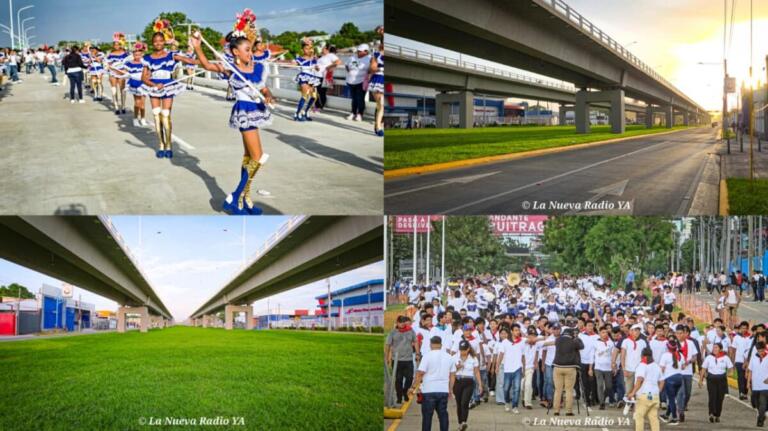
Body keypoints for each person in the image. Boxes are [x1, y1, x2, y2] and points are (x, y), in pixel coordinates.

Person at [190, 10, 275, 215]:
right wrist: (198, 47)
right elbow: (207, 65)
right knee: (259, 157)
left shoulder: (256, 68)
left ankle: (246, 201)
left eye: (250, 49)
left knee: (249, 157)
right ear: (236, 52)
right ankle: (234, 198)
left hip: (257, 109)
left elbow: (264, 89)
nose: (250, 53)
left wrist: (269, 96)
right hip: (245, 112)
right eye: (246, 50)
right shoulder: (231, 70)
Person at [142, 19, 198, 159]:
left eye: (161, 41)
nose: (158, 43)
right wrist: (154, 85)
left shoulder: (171, 55)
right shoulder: (147, 58)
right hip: (154, 87)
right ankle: (161, 145)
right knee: (156, 115)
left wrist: (207, 63)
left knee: (166, 115)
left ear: (164, 42)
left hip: (168, 85)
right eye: (155, 41)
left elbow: (189, 61)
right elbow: (144, 78)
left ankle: (169, 146)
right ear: (152, 43)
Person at [410, 336, 453, 431]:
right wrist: (450, 389)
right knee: (443, 415)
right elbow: (452, 375)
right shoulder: (449, 357)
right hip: (443, 390)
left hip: (428, 391)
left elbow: (420, 373)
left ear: (430, 345)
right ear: (441, 345)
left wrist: (413, 387)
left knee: (427, 417)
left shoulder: (427, 356)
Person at [626, 347, 665, 431]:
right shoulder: (656, 366)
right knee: (654, 418)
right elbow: (662, 381)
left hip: (644, 395)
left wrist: (632, 393)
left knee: (639, 417)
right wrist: (658, 391)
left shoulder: (642, 365)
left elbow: (640, 380)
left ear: (642, 355)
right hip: (655, 395)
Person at [551, 325, 584, 416]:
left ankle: (556, 410)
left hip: (557, 366)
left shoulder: (558, 340)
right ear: (572, 334)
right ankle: (568, 411)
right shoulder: (574, 341)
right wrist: (577, 337)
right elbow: (582, 346)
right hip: (570, 367)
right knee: (569, 390)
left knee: (558, 390)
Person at [450, 340, 482, 431]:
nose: (462, 351)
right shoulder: (454, 357)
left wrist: (480, 384)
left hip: (469, 381)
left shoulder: (473, 358)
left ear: (468, 349)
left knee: (464, 402)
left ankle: (464, 421)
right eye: (461, 350)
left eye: (464, 350)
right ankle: (460, 423)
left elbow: (476, 372)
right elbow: (451, 372)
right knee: (459, 403)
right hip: (458, 381)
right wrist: (457, 368)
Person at [386, 316, 418, 405]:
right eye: (400, 322)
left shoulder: (411, 331)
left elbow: (415, 341)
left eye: (403, 322)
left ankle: (405, 391)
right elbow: (388, 345)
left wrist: (417, 353)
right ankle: (399, 397)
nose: (402, 324)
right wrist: (387, 357)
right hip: (397, 360)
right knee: (398, 379)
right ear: (397, 323)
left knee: (410, 377)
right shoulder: (393, 332)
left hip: (408, 359)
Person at [699, 342, 733, 423]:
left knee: (720, 398)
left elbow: (731, 369)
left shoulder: (725, 358)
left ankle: (717, 415)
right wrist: (700, 380)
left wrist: (727, 374)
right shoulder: (709, 357)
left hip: (721, 379)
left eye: (716, 347)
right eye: (713, 347)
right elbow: (703, 369)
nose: (714, 349)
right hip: (711, 379)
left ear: (720, 349)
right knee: (712, 396)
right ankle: (711, 413)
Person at [496, 325, 524, 413]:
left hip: (518, 368)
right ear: (511, 331)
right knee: (506, 388)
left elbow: (523, 356)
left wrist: (524, 367)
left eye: (518, 330)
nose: (517, 332)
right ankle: (507, 402)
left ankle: (515, 406)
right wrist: (497, 366)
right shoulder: (505, 342)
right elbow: (501, 355)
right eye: (516, 330)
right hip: (507, 369)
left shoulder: (522, 342)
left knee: (517, 388)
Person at [658, 336, 683, 424]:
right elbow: (683, 366)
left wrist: (660, 379)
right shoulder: (680, 355)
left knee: (671, 399)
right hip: (679, 378)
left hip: (669, 378)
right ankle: (667, 415)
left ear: (668, 347)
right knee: (673, 398)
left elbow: (661, 369)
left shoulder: (665, 355)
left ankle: (675, 418)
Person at [124, 42, 148, 126]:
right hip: (134, 83)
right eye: (135, 55)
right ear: (133, 55)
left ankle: (143, 118)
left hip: (143, 83)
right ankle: (135, 118)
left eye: (139, 55)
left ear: (142, 55)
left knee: (143, 103)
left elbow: (149, 72)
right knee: (137, 102)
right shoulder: (129, 63)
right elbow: (124, 72)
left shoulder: (145, 63)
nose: (137, 56)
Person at [345, 43, 370, 122]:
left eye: (360, 51)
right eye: (358, 51)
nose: (358, 52)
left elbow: (371, 69)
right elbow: (346, 65)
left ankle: (360, 114)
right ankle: (353, 112)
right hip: (350, 81)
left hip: (361, 82)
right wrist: (350, 72)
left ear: (366, 51)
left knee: (360, 98)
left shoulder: (369, 59)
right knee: (354, 98)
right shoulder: (352, 58)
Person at [106, 33, 130, 115]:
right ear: (113, 46)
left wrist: (125, 70)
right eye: (115, 45)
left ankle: (123, 106)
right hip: (113, 73)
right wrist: (111, 69)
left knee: (122, 90)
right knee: (114, 91)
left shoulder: (125, 53)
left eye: (118, 44)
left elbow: (128, 63)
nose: (116, 46)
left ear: (120, 45)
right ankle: (116, 107)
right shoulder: (110, 55)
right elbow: (108, 64)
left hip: (121, 73)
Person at [747, 341, 768, 427]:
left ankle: (760, 420)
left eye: (762, 351)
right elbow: (750, 371)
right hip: (755, 385)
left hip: (765, 386)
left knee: (762, 402)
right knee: (755, 404)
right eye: (758, 351)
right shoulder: (753, 358)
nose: (760, 353)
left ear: (765, 349)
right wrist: (748, 382)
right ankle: (762, 414)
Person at [593, 325, 614, 409]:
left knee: (609, 386)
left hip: (608, 368)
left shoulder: (611, 343)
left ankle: (603, 397)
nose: (605, 334)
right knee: (600, 385)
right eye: (603, 332)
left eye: (606, 332)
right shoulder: (595, 342)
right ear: (599, 333)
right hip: (598, 367)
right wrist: (591, 367)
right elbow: (592, 355)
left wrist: (614, 365)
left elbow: (613, 355)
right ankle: (602, 403)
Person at [315, 44, 341, 111]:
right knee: (316, 91)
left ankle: (320, 107)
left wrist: (329, 67)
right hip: (317, 75)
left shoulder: (331, 55)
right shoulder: (322, 56)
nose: (322, 49)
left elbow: (338, 62)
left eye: (323, 48)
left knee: (321, 92)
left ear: (327, 49)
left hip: (324, 76)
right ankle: (317, 106)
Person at [369, 25, 385, 137]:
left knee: (381, 105)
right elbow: (372, 68)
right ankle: (379, 127)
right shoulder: (376, 54)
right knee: (381, 103)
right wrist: (380, 69)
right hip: (378, 79)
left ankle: (377, 124)